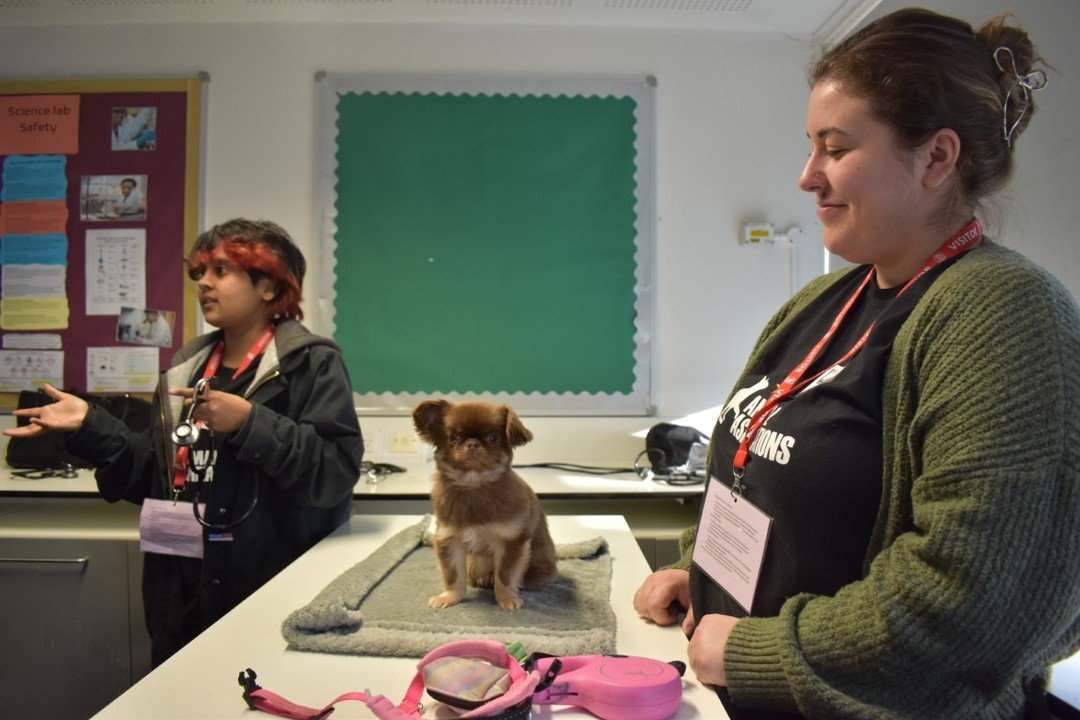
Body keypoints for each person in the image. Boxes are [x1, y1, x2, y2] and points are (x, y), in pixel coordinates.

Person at [633, 8, 1079, 719]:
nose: (807, 177)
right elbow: (760, 479)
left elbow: (970, 607)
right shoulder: (824, 300)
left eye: (835, 149)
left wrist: (755, 652)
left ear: (937, 158)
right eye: (811, 147)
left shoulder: (1005, 312)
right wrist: (701, 573)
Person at [5, 218, 365, 667]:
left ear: (270, 286)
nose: (203, 283)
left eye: (221, 270)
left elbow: (334, 474)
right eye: (199, 272)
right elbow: (154, 479)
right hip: (180, 588)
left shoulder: (310, 364)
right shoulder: (186, 368)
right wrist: (90, 426)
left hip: (272, 592)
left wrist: (249, 422)